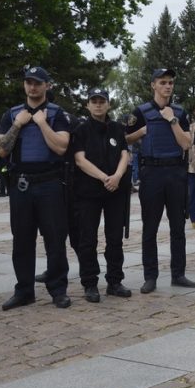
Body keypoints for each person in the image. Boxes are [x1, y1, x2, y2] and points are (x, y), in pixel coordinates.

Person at [0, 67, 73, 310]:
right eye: (29, 82)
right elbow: (1, 149)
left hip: (49, 183)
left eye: (38, 83)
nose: (32, 87)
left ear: (47, 86)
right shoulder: (12, 114)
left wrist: (41, 124)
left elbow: (61, 147)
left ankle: (58, 289)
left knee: (55, 239)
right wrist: (17, 125)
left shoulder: (57, 114)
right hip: (22, 184)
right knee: (22, 240)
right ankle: (24, 290)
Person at [126, 68, 195, 293]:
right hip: (152, 173)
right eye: (163, 82)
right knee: (150, 228)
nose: (167, 86)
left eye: (170, 83)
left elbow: (186, 143)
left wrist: (172, 121)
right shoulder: (141, 112)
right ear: (153, 86)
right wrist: (141, 133)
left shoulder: (179, 112)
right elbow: (124, 137)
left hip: (176, 173)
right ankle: (151, 276)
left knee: (178, 227)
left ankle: (178, 274)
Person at [70, 88, 132, 303]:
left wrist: (117, 176)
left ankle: (115, 280)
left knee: (114, 238)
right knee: (87, 239)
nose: (98, 105)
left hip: (115, 191)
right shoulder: (81, 129)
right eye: (94, 101)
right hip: (89, 191)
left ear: (108, 104)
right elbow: (80, 159)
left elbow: (125, 154)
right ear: (88, 105)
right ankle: (90, 283)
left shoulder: (116, 128)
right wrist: (105, 177)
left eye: (102, 101)